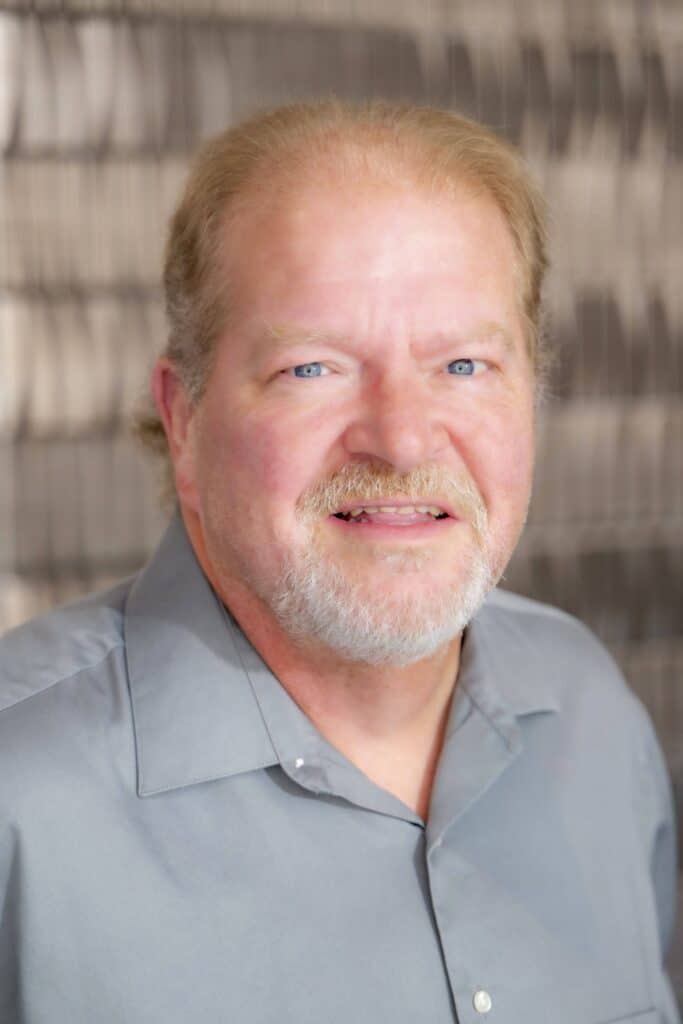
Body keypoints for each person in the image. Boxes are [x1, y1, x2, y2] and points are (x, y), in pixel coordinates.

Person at [0, 98, 679, 1024]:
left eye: (465, 365)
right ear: (185, 419)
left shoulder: (589, 715)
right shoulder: (20, 800)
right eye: (312, 369)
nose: (400, 440)